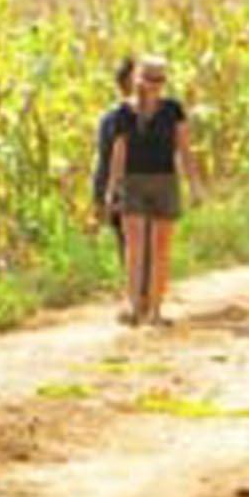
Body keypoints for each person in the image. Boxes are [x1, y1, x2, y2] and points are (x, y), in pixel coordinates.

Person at [103, 55, 205, 326]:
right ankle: (135, 306)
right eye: (150, 79)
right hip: (133, 181)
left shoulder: (173, 110)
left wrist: (194, 184)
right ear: (139, 80)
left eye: (160, 80)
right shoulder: (124, 113)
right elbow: (119, 153)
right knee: (135, 247)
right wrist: (112, 189)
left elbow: (184, 149)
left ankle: (156, 309)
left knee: (161, 249)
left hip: (164, 180)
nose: (156, 85)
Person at [89, 58, 136, 308]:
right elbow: (106, 158)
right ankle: (137, 295)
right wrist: (102, 194)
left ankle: (140, 294)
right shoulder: (113, 119)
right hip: (124, 189)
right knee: (129, 243)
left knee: (133, 243)